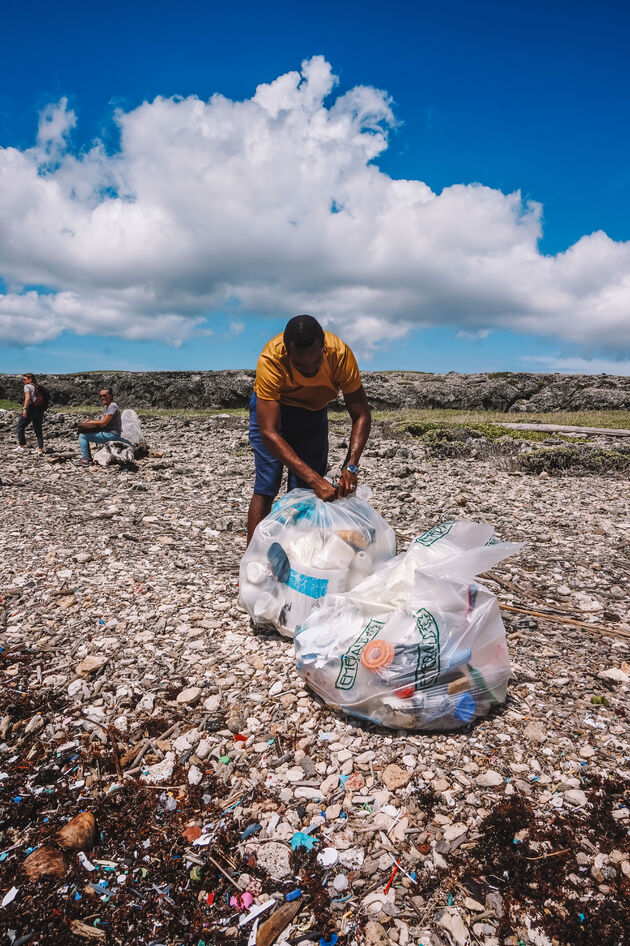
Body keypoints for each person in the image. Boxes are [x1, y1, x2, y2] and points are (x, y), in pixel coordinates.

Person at [247, 315, 371, 544]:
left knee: (305, 494)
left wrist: (350, 466)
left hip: (313, 414)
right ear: (287, 353)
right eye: (299, 364)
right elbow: (269, 434)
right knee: (266, 486)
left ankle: (298, 557)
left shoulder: (340, 355)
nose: (309, 370)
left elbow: (361, 414)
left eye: (315, 362)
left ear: (323, 349)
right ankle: (253, 563)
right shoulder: (271, 358)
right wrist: (316, 479)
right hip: (274, 414)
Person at [74, 388, 128, 466]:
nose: (102, 398)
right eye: (101, 396)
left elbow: (104, 422)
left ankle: (85, 459)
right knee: (85, 433)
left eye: (104, 395)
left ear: (110, 396)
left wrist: (90, 422)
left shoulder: (112, 406)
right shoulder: (107, 407)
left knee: (82, 436)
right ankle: (87, 458)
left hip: (111, 435)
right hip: (110, 433)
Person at [16, 373, 45, 455]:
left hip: (31, 409)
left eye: (24, 379)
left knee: (20, 426)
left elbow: (27, 398)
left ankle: (21, 446)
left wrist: (24, 409)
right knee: (38, 430)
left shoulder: (27, 386)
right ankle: (40, 449)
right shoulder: (37, 387)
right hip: (39, 410)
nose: (23, 381)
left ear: (30, 379)